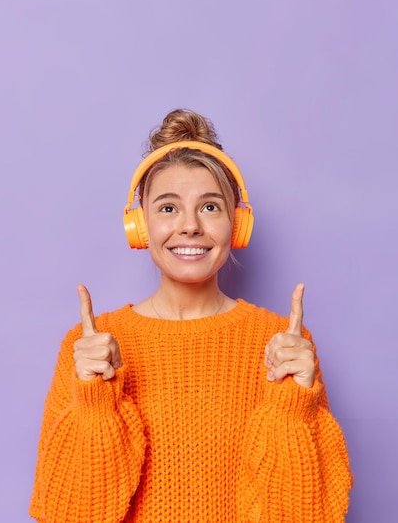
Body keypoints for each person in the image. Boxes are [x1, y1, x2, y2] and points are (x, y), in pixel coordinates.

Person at [30, 109, 353, 522]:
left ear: (236, 224)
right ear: (140, 224)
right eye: (167, 208)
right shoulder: (89, 346)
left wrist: (292, 407)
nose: (190, 227)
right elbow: (69, 514)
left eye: (210, 207)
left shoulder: (284, 345)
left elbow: (306, 515)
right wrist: (96, 404)